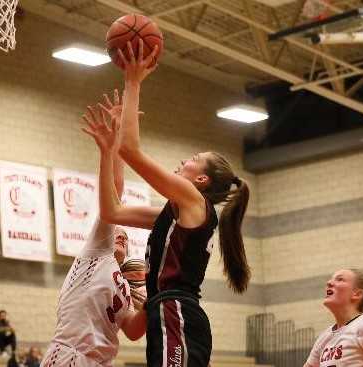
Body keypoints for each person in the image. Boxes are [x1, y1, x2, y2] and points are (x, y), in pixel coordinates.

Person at [88, 40, 251, 366]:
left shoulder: (194, 199)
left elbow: (131, 151)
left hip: (176, 311)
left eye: (192, 159)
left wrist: (133, 82)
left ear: (201, 180)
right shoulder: (175, 213)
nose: (183, 160)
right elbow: (112, 211)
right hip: (168, 312)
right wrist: (108, 152)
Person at [41, 91, 146, 367]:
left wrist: (157, 297)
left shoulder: (124, 285)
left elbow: (134, 330)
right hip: (70, 356)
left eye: (125, 235)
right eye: (117, 232)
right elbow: (115, 191)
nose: (120, 235)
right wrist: (111, 146)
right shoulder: (98, 253)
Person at [304, 269, 363, 367]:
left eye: (340, 279)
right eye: (331, 279)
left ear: (357, 294)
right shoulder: (324, 338)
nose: (329, 283)